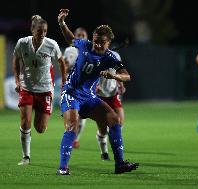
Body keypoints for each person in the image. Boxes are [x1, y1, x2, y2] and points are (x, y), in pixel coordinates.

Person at [57, 9, 138, 175]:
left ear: (108, 43)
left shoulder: (110, 58)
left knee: (114, 120)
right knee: (72, 126)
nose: (97, 45)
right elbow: (71, 39)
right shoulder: (85, 44)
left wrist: (114, 75)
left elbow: (127, 76)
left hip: (88, 97)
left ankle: (120, 164)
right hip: (71, 93)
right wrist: (62, 23)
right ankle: (63, 168)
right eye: (95, 41)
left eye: (101, 43)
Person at [12, 15, 66, 165]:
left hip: (45, 89)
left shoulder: (51, 44)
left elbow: (61, 62)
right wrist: (17, 80)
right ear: (32, 30)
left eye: (45, 31)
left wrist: (64, 82)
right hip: (27, 87)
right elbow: (16, 59)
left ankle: (38, 119)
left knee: (40, 128)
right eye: (39, 31)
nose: (42, 34)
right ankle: (26, 157)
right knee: (25, 122)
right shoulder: (22, 43)